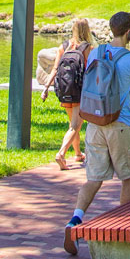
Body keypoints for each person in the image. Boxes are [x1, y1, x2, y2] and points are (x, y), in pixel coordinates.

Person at [64, 12, 130, 254]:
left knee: (94, 179)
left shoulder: (96, 52)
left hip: (95, 123)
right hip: (120, 124)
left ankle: (75, 219)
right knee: (128, 176)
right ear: (129, 32)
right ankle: (124, 229)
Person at [46, 18, 93, 170]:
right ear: (87, 30)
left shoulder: (64, 46)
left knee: (72, 124)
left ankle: (78, 153)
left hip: (65, 90)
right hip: (80, 90)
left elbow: (55, 69)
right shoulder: (87, 48)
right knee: (75, 125)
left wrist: (46, 87)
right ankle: (61, 154)